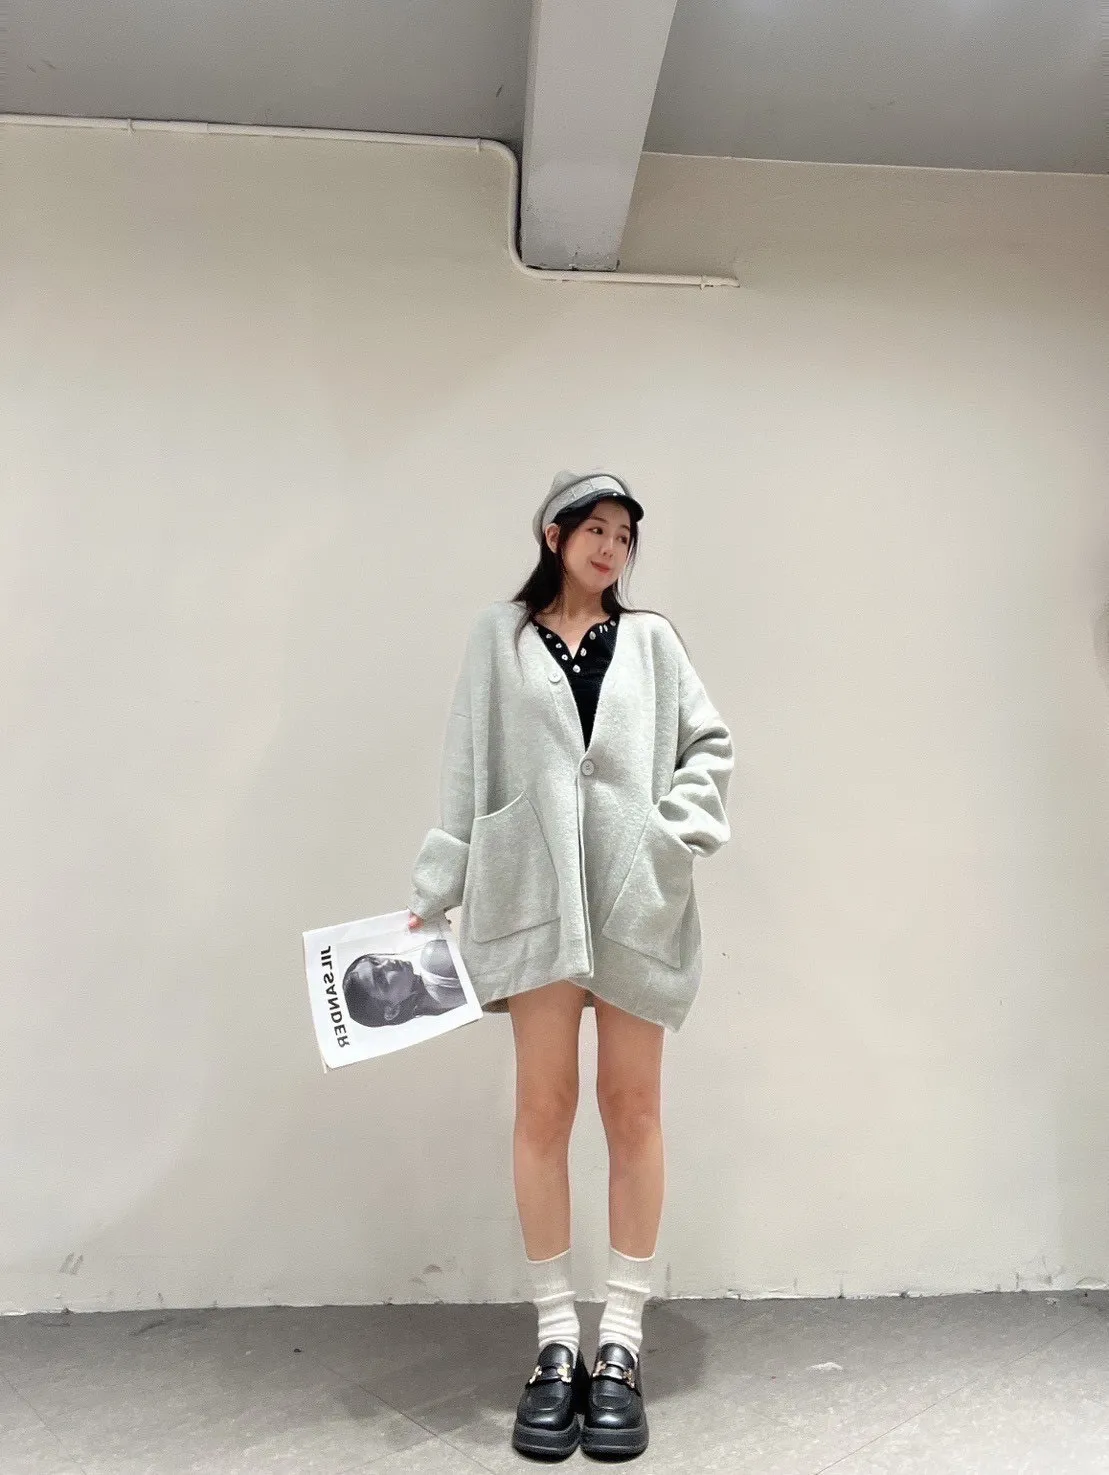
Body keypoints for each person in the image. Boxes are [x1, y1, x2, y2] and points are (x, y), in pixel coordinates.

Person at [406, 470, 734, 1461]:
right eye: (595, 527)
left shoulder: (653, 641)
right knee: (542, 1111)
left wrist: (670, 836)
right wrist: (438, 882)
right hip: (533, 896)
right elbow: (465, 766)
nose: (610, 546)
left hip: (634, 905)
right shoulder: (498, 638)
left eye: (624, 534)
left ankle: (620, 1341)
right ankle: (556, 1343)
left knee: (632, 1110)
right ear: (553, 534)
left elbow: (707, 746)